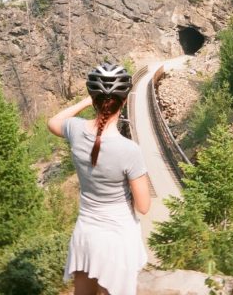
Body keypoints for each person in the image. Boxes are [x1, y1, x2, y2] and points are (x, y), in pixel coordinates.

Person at [47, 63, 151, 295]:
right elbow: (144, 206)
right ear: (123, 102)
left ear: (94, 98)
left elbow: (53, 122)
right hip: (117, 238)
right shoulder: (129, 150)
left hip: (86, 233)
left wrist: (87, 100)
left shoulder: (75, 130)